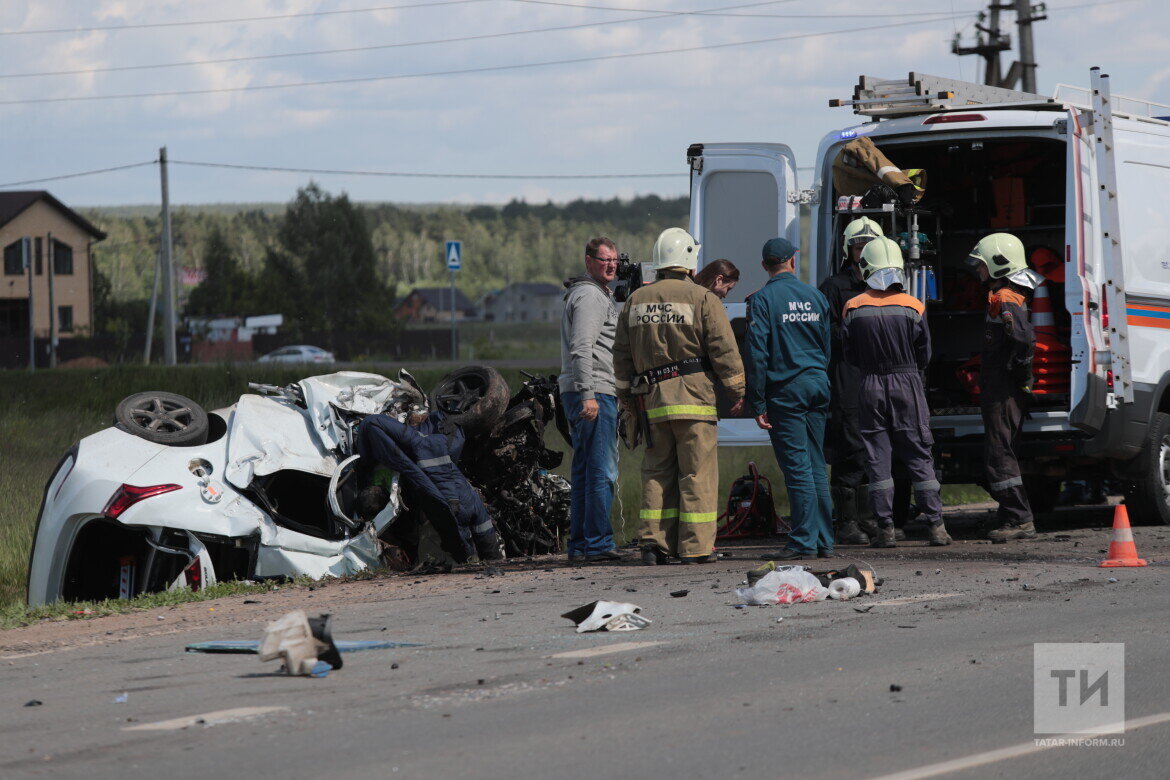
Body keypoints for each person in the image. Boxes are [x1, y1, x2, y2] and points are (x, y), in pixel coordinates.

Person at [613, 228, 746, 565]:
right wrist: (737, 389)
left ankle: (654, 545)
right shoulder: (703, 299)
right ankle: (696, 548)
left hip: (652, 404)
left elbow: (622, 355)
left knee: (656, 474)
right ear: (688, 260)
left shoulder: (635, 300)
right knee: (696, 475)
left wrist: (626, 397)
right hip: (694, 401)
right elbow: (723, 349)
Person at [842, 237, 950, 547]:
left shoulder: (852, 306)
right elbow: (924, 354)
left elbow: (850, 355)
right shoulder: (913, 306)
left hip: (870, 384)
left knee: (877, 457)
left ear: (867, 267)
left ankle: (885, 529)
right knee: (918, 453)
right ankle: (936, 526)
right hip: (907, 383)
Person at [745, 237, 834, 561]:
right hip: (817, 383)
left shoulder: (763, 300)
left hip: (787, 390)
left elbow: (756, 353)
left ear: (765, 266)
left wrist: (757, 401)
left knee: (797, 467)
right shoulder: (815, 296)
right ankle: (823, 539)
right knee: (815, 465)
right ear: (793, 261)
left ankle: (803, 541)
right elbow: (826, 345)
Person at [966, 232, 1043, 542]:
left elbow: (1023, 339)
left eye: (982, 266)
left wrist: (1016, 369)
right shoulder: (1005, 296)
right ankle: (1011, 515)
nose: (978, 271)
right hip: (1002, 384)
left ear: (999, 265)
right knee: (1003, 450)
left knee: (999, 454)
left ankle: (1019, 519)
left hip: (1002, 387)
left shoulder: (1005, 298)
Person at [559, 236, 623, 563]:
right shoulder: (590, 297)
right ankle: (597, 543)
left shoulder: (590, 293)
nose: (610, 265)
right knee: (601, 471)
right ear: (588, 261)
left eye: (614, 260)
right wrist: (588, 395)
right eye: (603, 260)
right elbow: (581, 347)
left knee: (584, 470)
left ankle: (581, 545)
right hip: (594, 390)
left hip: (585, 389)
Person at [819, 217, 882, 546]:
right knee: (850, 446)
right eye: (859, 247)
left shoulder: (886, 286)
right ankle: (846, 522)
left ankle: (870, 518)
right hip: (847, 375)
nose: (864, 252)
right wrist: (857, 333)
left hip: (879, 375)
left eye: (870, 247)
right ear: (849, 250)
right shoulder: (833, 287)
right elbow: (823, 332)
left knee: (876, 447)